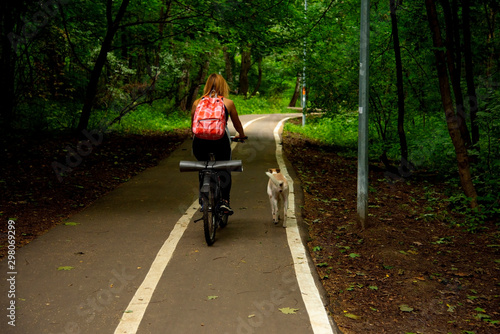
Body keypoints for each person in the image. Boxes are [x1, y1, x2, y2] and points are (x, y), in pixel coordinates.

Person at [191, 73, 246, 215]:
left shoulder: (197, 103)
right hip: (220, 142)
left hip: (200, 143)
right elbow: (237, 123)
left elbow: (192, 125)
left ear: (207, 86)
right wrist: (241, 135)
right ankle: (224, 202)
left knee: (203, 167)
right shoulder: (228, 103)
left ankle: (203, 199)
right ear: (223, 86)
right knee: (224, 168)